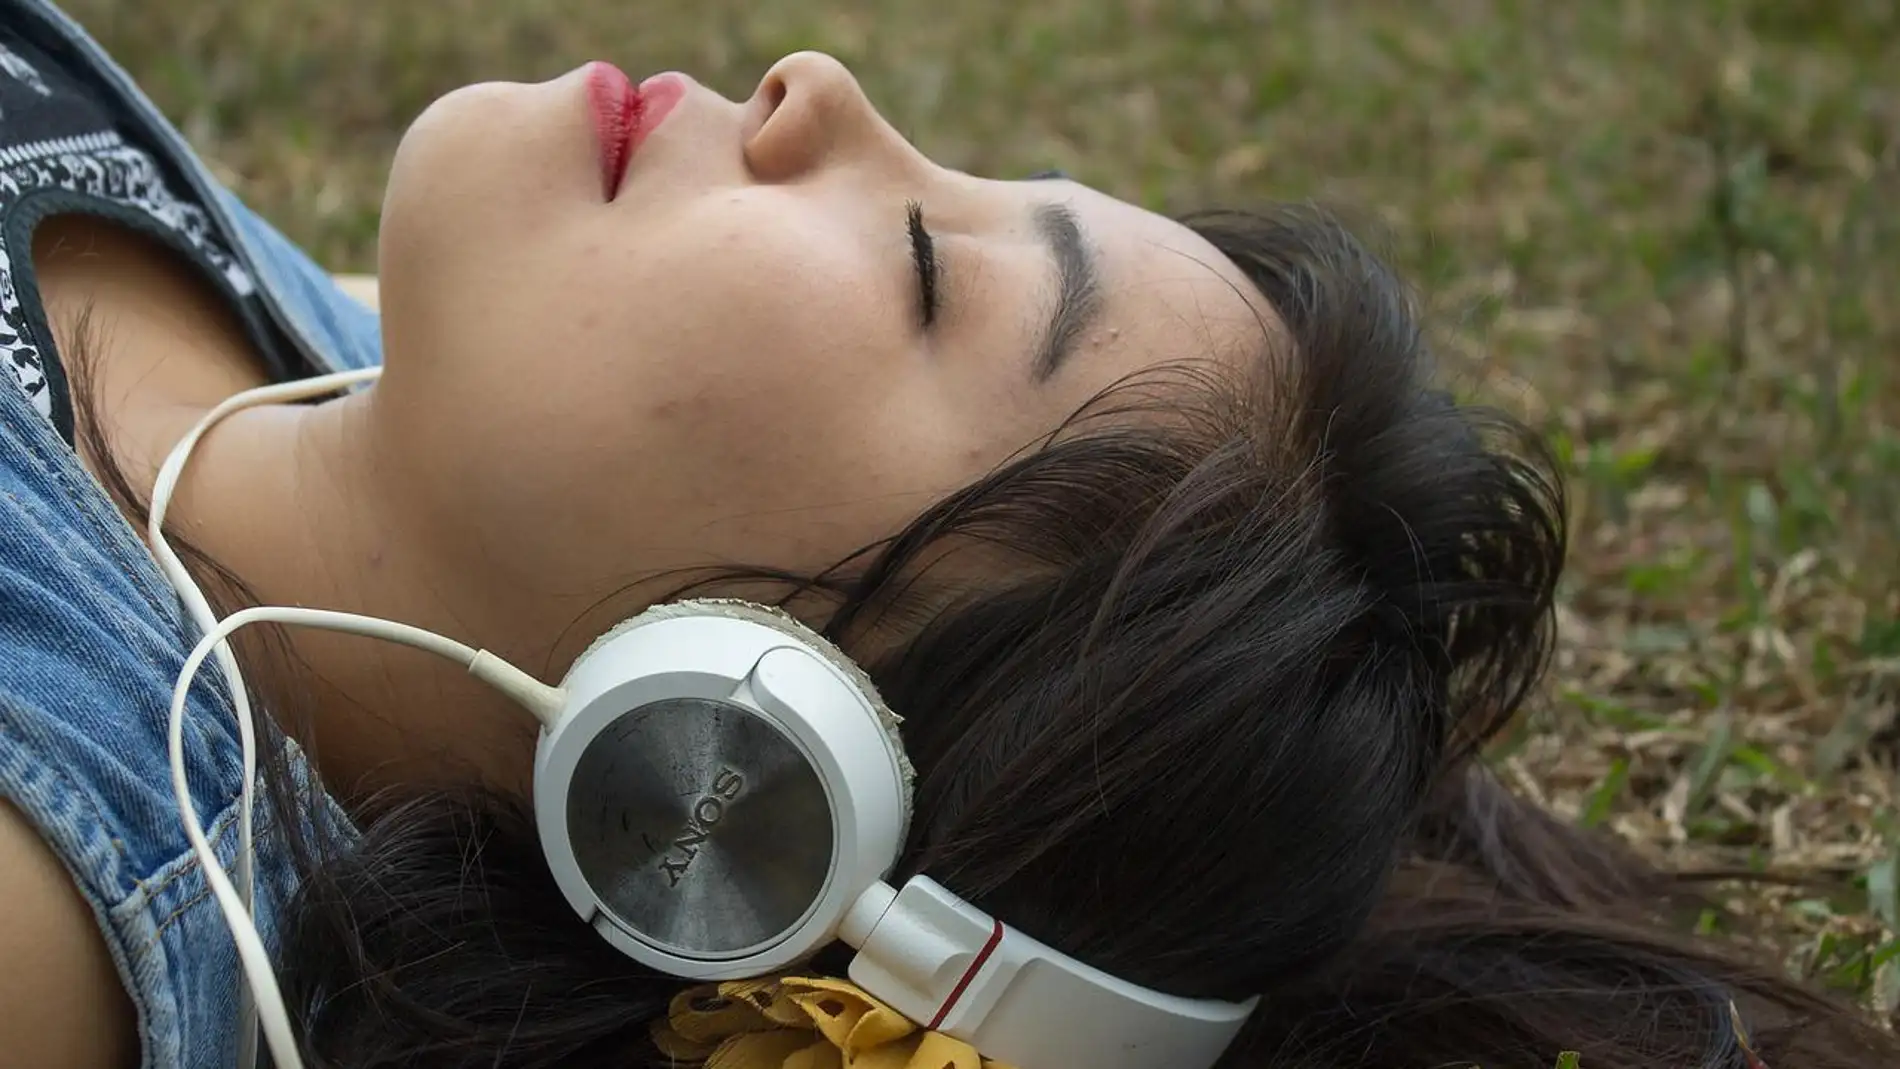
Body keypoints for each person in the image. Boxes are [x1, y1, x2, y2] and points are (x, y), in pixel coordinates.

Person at [0, 1, 1892, 1067]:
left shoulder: (58, 883)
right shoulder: (335, 363)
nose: (819, 90)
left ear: (738, 772)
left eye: (922, 270)